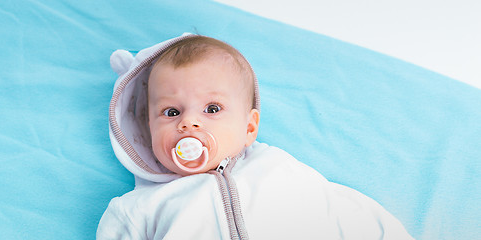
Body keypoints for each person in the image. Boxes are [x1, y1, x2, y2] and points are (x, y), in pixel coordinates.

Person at [98, 33, 414, 239]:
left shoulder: (278, 168)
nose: (189, 124)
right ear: (145, 130)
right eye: (171, 113)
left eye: (211, 108)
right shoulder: (139, 207)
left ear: (249, 128)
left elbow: (339, 209)